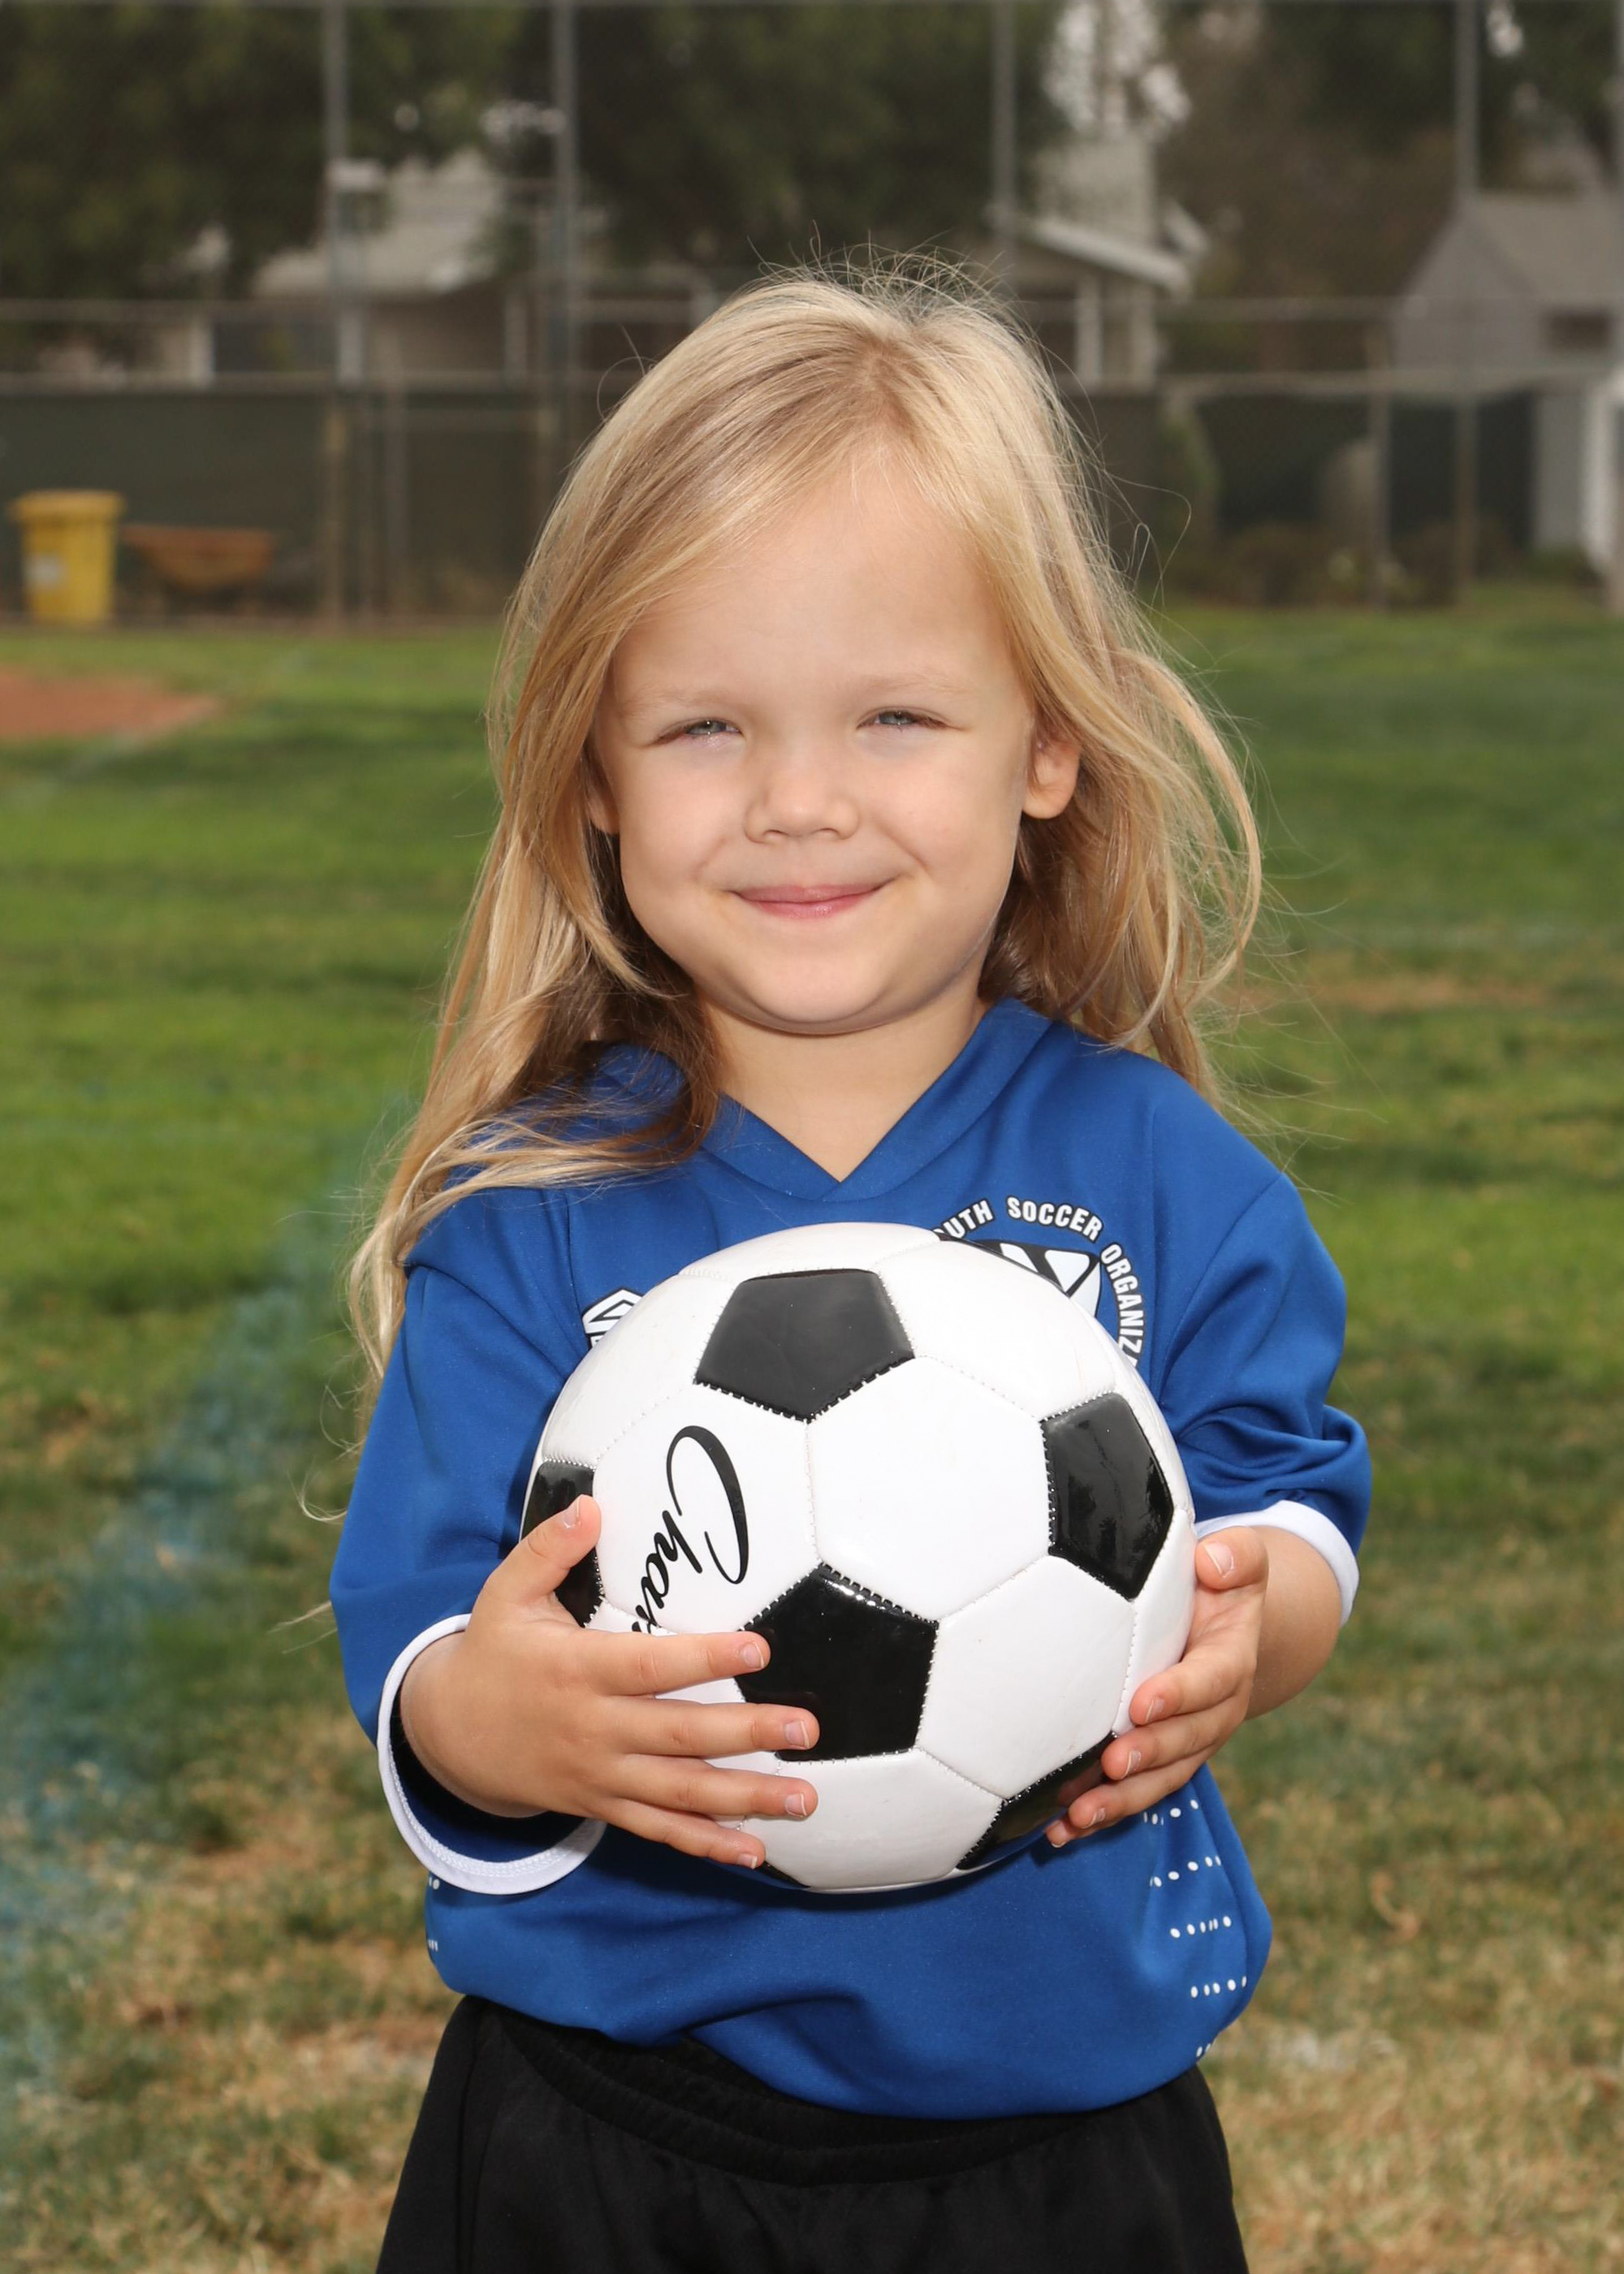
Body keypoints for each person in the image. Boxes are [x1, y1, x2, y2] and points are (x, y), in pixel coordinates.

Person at [331, 262, 1370, 2274]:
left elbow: (1287, 1492)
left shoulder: (1163, 1174)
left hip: (1056, 2144)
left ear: (1045, 742)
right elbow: (421, 1639)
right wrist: (500, 1721)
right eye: (705, 725)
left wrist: (1262, 1623)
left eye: (893, 715)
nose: (799, 799)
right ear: (595, 776)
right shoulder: (531, 1208)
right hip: (599, 2133)